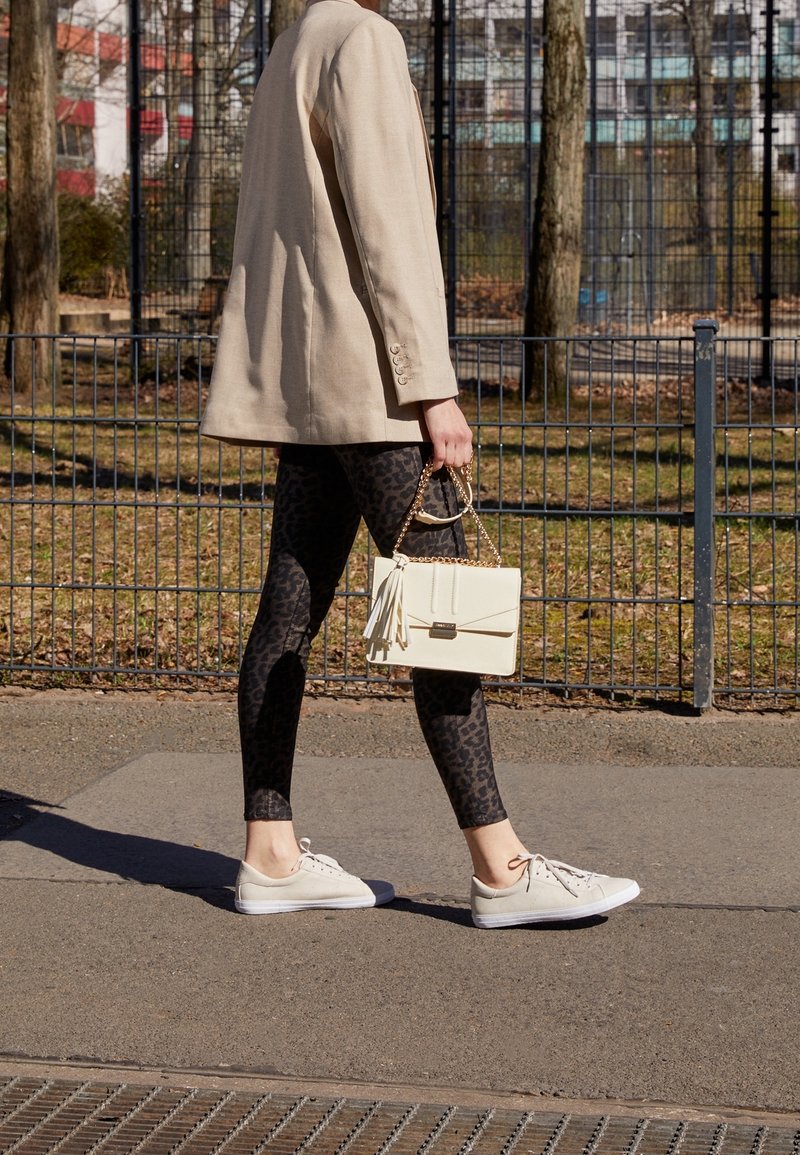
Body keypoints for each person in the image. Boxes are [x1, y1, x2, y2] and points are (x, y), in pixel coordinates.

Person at [201, 0, 640, 929]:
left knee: (290, 603)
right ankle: (501, 865)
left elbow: (273, 232)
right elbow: (391, 230)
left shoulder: (287, 49)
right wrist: (433, 388)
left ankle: (270, 850)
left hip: (312, 383)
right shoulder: (365, 41)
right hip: (377, 385)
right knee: (446, 609)